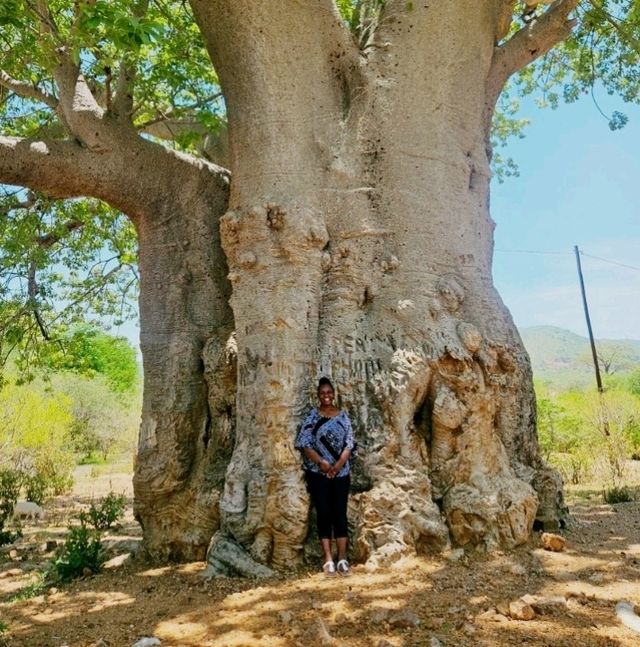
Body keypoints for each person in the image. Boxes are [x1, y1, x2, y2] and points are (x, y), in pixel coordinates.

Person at [295, 377, 354, 576]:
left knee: (339, 513)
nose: (326, 396)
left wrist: (337, 465)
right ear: (318, 395)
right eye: (322, 393)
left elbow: (349, 443)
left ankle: (343, 557)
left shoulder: (343, 416)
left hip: (341, 473)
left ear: (333, 394)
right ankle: (328, 557)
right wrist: (322, 462)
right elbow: (304, 443)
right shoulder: (312, 416)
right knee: (323, 514)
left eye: (329, 392)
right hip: (318, 473)